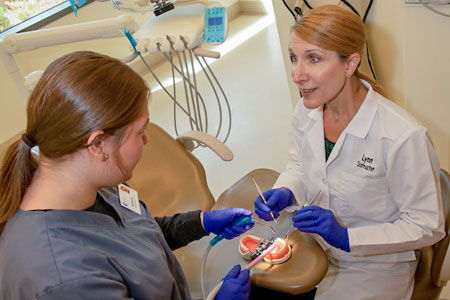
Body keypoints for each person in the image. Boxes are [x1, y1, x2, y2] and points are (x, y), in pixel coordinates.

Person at [0, 51, 253, 300]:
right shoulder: (65, 280)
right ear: (98, 144)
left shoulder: (93, 184)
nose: (147, 139)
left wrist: (201, 222)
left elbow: (133, 238)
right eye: (140, 131)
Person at [254, 5, 444, 300]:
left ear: (350, 63)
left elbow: (427, 226)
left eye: (313, 59)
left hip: (373, 267)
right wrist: (288, 190)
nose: (297, 74)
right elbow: (299, 167)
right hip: (315, 246)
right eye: (294, 58)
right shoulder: (306, 113)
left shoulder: (402, 136)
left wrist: (346, 236)